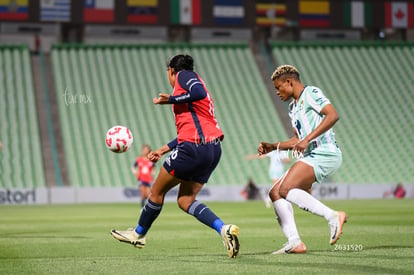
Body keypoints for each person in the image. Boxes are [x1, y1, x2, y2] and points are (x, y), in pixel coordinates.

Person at [111, 54, 240, 258]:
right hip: (212, 149)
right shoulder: (196, 91)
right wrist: (163, 149)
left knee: (156, 192)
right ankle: (223, 229)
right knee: (185, 200)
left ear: (171, 70)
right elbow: (188, 131)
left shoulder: (184, 76)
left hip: (193, 148)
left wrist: (170, 99)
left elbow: (196, 92)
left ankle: (138, 234)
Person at [257, 65, 347, 254]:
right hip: (311, 155)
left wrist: (307, 139)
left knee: (285, 189)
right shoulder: (293, 108)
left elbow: (332, 115)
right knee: (275, 192)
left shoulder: (311, 93)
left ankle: (333, 216)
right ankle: (295, 241)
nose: (277, 92)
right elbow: (298, 140)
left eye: (278, 87)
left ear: (289, 82)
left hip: (325, 152)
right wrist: (274, 146)